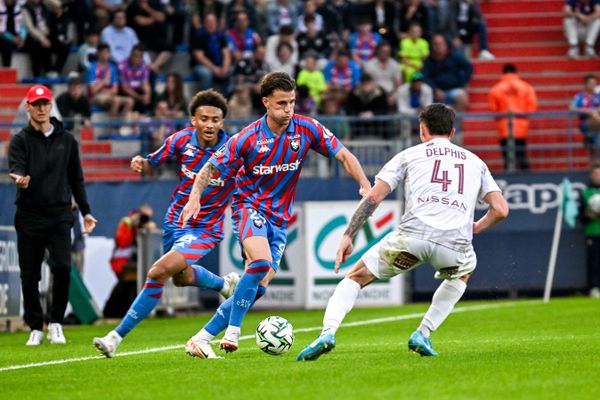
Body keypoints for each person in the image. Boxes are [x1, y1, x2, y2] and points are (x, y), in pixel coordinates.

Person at [296, 103, 509, 361]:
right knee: (463, 273)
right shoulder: (476, 163)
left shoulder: (408, 155)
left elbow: (374, 198)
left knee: (356, 277)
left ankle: (327, 333)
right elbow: (500, 210)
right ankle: (423, 332)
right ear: (452, 133)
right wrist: (475, 227)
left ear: (422, 130)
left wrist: (348, 235)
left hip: (412, 239)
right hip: (454, 246)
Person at [181, 72, 371, 358]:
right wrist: (194, 197)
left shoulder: (306, 129)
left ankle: (202, 337)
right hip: (248, 207)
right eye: (282, 103)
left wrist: (364, 183)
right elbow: (210, 167)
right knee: (260, 263)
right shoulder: (247, 138)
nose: (288, 109)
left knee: (258, 287)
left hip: (280, 219)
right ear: (266, 102)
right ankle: (233, 332)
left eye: (292, 102)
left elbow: (344, 155)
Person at [92, 89, 240, 358]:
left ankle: (115, 337)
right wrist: (141, 161)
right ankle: (223, 285)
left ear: (222, 122)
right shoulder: (181, 139)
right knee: (181, 278)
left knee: (157, 272)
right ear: (193, 119)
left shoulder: (232, 149)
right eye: (204, 118)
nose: (210, 124)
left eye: (216, 120)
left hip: (206, 229)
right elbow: (154, 159)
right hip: (175, 223)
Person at [8, 85, 98, 346]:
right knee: (30, 274)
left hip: (60, 214)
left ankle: (56, 323)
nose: (41, 108)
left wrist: (87, 212)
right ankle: (35, 326)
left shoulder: (67, 140)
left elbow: (76, 179)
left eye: (45, 103)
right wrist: (19, 179)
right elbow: (17, 166)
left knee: (62, 267)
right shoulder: (20, 140)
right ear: (28, 107)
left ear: (51, 106)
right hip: (29, 214)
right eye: (36, 104)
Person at [103, 205, 157, 318]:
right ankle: (114, 312)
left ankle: (127, 312)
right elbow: (123, 242)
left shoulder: (144, 226)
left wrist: (148, 229)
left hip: (136, 264)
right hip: (122, 263)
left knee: (131, 287)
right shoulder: (127, 222)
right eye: (144, 216)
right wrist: (133, 226)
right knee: (126, 286)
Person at [488, 64, 537, 172]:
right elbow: (532, 108)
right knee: (521, 155)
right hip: (521, 128)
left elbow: (493, 110)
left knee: (508, 159)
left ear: (503, 73)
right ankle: (527, 179)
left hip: (504, 127)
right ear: (516, 73)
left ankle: (509, 180)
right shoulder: (526, 87)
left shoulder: (496, 89)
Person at [571, 74, 600, 164]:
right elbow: (572, 108)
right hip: (586, 123)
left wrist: (596, 111)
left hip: (597, 123)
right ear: (585, 84)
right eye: (591, 83)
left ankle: (590, 139)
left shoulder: (597, 96)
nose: (593, 85)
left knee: (595, 144)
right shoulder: (580, 96)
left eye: (595, 83)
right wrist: (588, 111)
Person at [581, 165, 600, 298]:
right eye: (595, 174)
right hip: (593, 232)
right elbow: (581, 216)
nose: (597, 177)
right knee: (594, 262)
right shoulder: (586, 192)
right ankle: (594, 288)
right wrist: (589, 215)